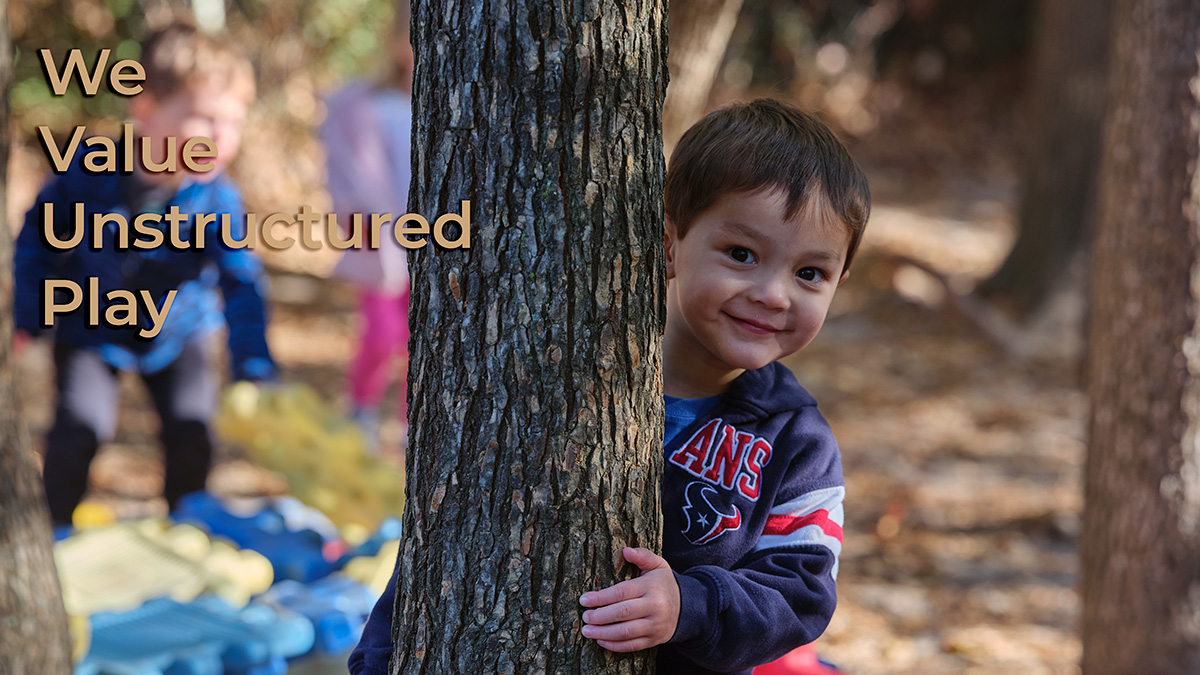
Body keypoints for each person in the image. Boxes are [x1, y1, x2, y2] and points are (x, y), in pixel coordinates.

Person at [348, 99, 869, 674]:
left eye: (810, 273)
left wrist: (691, 605)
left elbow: (800, 595)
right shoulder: (559, 371)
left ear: (839, 281)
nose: (774, 294)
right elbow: (450, 529)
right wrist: (380, 658)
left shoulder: (797, 441)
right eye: (741, 254)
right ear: (670, 244)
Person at [14, 22, 275, 528]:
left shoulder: (216, 198)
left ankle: (185, 533)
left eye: (234, 123)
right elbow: (36, 237)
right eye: (204, 118)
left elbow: (242, 282)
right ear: (145, 108)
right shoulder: (87, 170)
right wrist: (31, 310)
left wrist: (254, 361)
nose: (222, 138)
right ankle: (52, 536)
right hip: (90, 324)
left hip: (181, 331)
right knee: (78, 430)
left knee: (190, 433)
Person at [320, 5, 414, 451]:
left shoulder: (452, 100)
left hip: (436, 244)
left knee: (423, 342)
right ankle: (359, 409)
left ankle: (412, 427)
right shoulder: (372, 104)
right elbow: (354, 174)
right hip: (384, 244)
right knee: (380, 334)